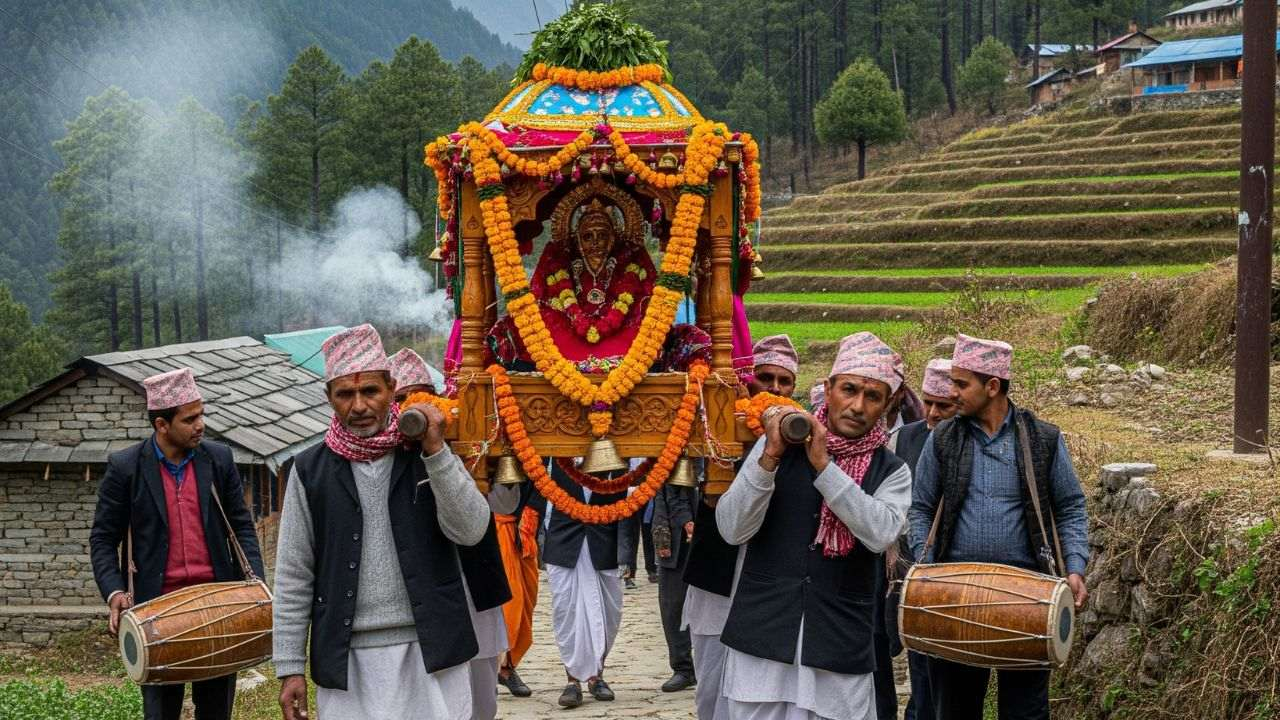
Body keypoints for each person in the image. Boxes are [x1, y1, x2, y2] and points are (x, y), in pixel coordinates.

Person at [273, 324, 492, 720]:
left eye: (370, 391)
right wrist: (290, 667)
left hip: (432, 651)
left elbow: (472, 530)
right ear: (328, 397)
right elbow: (293, 573)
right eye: (345, 394)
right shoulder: (309, 471)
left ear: (392, 389)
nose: (359, 406)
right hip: (347, 659)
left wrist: (436, 452)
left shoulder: (427, 453)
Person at [716, 332, 913, 720]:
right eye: (849, 390)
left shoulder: (892, 470)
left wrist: (824, 466)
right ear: (829, 388)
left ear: (888, 404)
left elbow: (880, 533)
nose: (857, 406)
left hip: (838, 647)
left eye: (873, 397)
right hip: (762, 641)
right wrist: (769, 459)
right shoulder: (776, 446)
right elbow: (732, 529)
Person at [909, 333, 1090, 720]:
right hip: (954, 596)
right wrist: (924, 565)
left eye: (961, 384)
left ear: (992, 386)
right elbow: (920, 507)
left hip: (1028, 598)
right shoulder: (943, 439)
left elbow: (1071, 506)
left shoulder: (1042, 439)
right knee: (954, 710)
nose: (951, 392)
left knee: (1025, 711)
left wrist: (1074, 566)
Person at [90, 368, 265, 720]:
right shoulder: (126, 468)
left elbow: (241, 525)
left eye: (201, 414)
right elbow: (103, 538)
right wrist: (114, 592)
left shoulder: (218, 459)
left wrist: (255, 583)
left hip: (218, 607)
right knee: (160, 712)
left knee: (216, 710)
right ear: (161, 425)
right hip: (157, 613)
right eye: (190, 419)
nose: (200, 425)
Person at [388, 345, 513, 718]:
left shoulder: (469, 436)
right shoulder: (381, 453)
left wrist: (497, 456)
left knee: (481, 701)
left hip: (473, 585)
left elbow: (506, 505)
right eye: (403, 399)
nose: (415, 408)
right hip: (419, 596)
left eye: (422, 396)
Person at [683, 334, 801, 720]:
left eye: (785, 381)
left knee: (758, 691)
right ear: (747, 379)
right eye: (766, 378)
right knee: (712, 686)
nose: (775, 389)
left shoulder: (801, 435)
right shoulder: (713, 423)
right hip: (716, 572)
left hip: (770, 579)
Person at [884, 358, 958, 720]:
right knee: (920, 666)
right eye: (927, 402)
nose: (931, 413)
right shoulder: (902, 439)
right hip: (914, 571)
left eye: (943, 406)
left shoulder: (971, 442)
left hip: (957, 572)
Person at [539, 460, 626, 708]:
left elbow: (626, 511)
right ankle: (573, 681)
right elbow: (538, 503)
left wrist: (627, 555)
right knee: (568, 613)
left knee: (608, 615)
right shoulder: (551, 458)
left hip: (605, 547)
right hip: (564, 545)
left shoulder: (613, 456)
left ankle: (597, 676)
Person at [493, 481, 541, 698]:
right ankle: (497, 667)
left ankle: (508, 664)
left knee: (526, 602)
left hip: (523, 530)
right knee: (508, 603)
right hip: (491, 528)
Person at [652, 482, 697, 693]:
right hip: (674, 533)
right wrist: (685, 520)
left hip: (717, 522)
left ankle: (719, 666)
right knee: (672, 606)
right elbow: (670, 491)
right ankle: (683, 668)